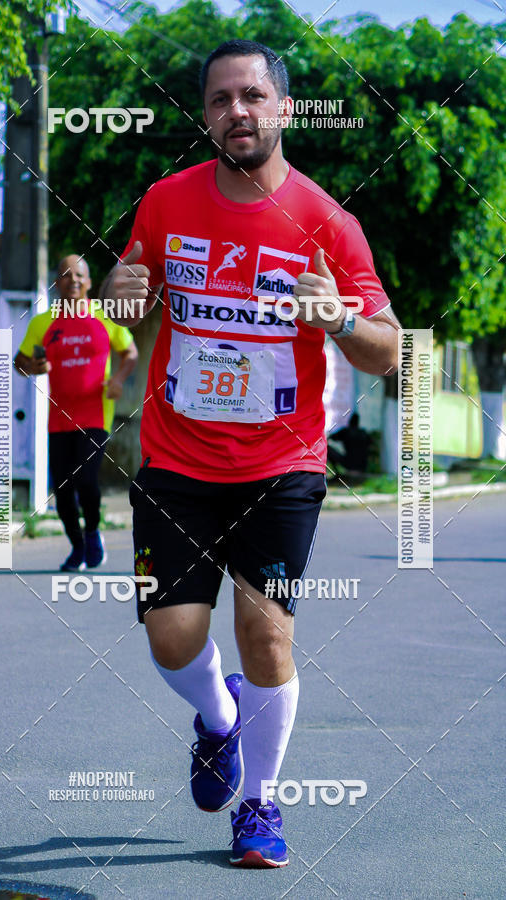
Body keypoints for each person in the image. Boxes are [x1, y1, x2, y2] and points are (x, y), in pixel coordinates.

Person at [102, 39, 400, 867]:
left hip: (283, 463)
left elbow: (388, 348)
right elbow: (138, 288)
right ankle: (218, 719)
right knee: (171, 635)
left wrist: (339, 318)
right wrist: (128, 294)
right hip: (175, 456)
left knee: (266, 634)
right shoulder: (165, 201)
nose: (238, 110)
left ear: (284, 109)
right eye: (221, 99)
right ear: (206, 116)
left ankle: (262, 806)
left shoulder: (327, 221)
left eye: (253, 96)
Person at [14, 255, 138, 571]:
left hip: (96, 414)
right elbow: (20, 363)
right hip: (59, 417)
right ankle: (77, 547)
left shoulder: (106, 316)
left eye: (80, 274)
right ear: (57, 283)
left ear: (90, 282)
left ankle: (93, 529)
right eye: (66, 275)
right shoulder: (43, 323)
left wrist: (119, 380)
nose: (74, 280)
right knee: (63, 489)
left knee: (85, 480)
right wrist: (33, 366)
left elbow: (130, 353)